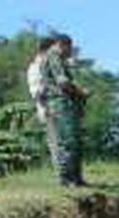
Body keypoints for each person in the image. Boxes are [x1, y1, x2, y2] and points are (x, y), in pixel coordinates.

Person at [39, 33, 89, 187]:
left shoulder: (54, 58)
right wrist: (80, 92)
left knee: (74, 142)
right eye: (69, 48)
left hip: (64, 104)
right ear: (62, 45)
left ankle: (75, 178)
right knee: (67, 141)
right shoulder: (54, 57)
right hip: (61, 104)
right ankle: (67, 179)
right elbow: (63, 82)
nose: (70, 52)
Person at [26, 37, 55, 123]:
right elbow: (37, 92)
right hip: (49, 110)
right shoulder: (37, 66)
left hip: (50, 109)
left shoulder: (42, 65)